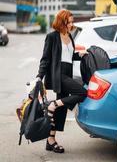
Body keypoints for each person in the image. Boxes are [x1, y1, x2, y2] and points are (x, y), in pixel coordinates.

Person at [36, 9, 87, 153]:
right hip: (58, 75)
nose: (71, 25)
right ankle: (52, 104)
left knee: (61, 109)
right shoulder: (52, 37)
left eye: (72, 22)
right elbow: (45, 59)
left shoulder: (69, 36)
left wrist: (80, 55)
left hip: (67, 73)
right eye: (68, 22)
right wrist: (39, 76)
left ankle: (50, 141)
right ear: (61, 21)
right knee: (83, 93)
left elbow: (69, 56)